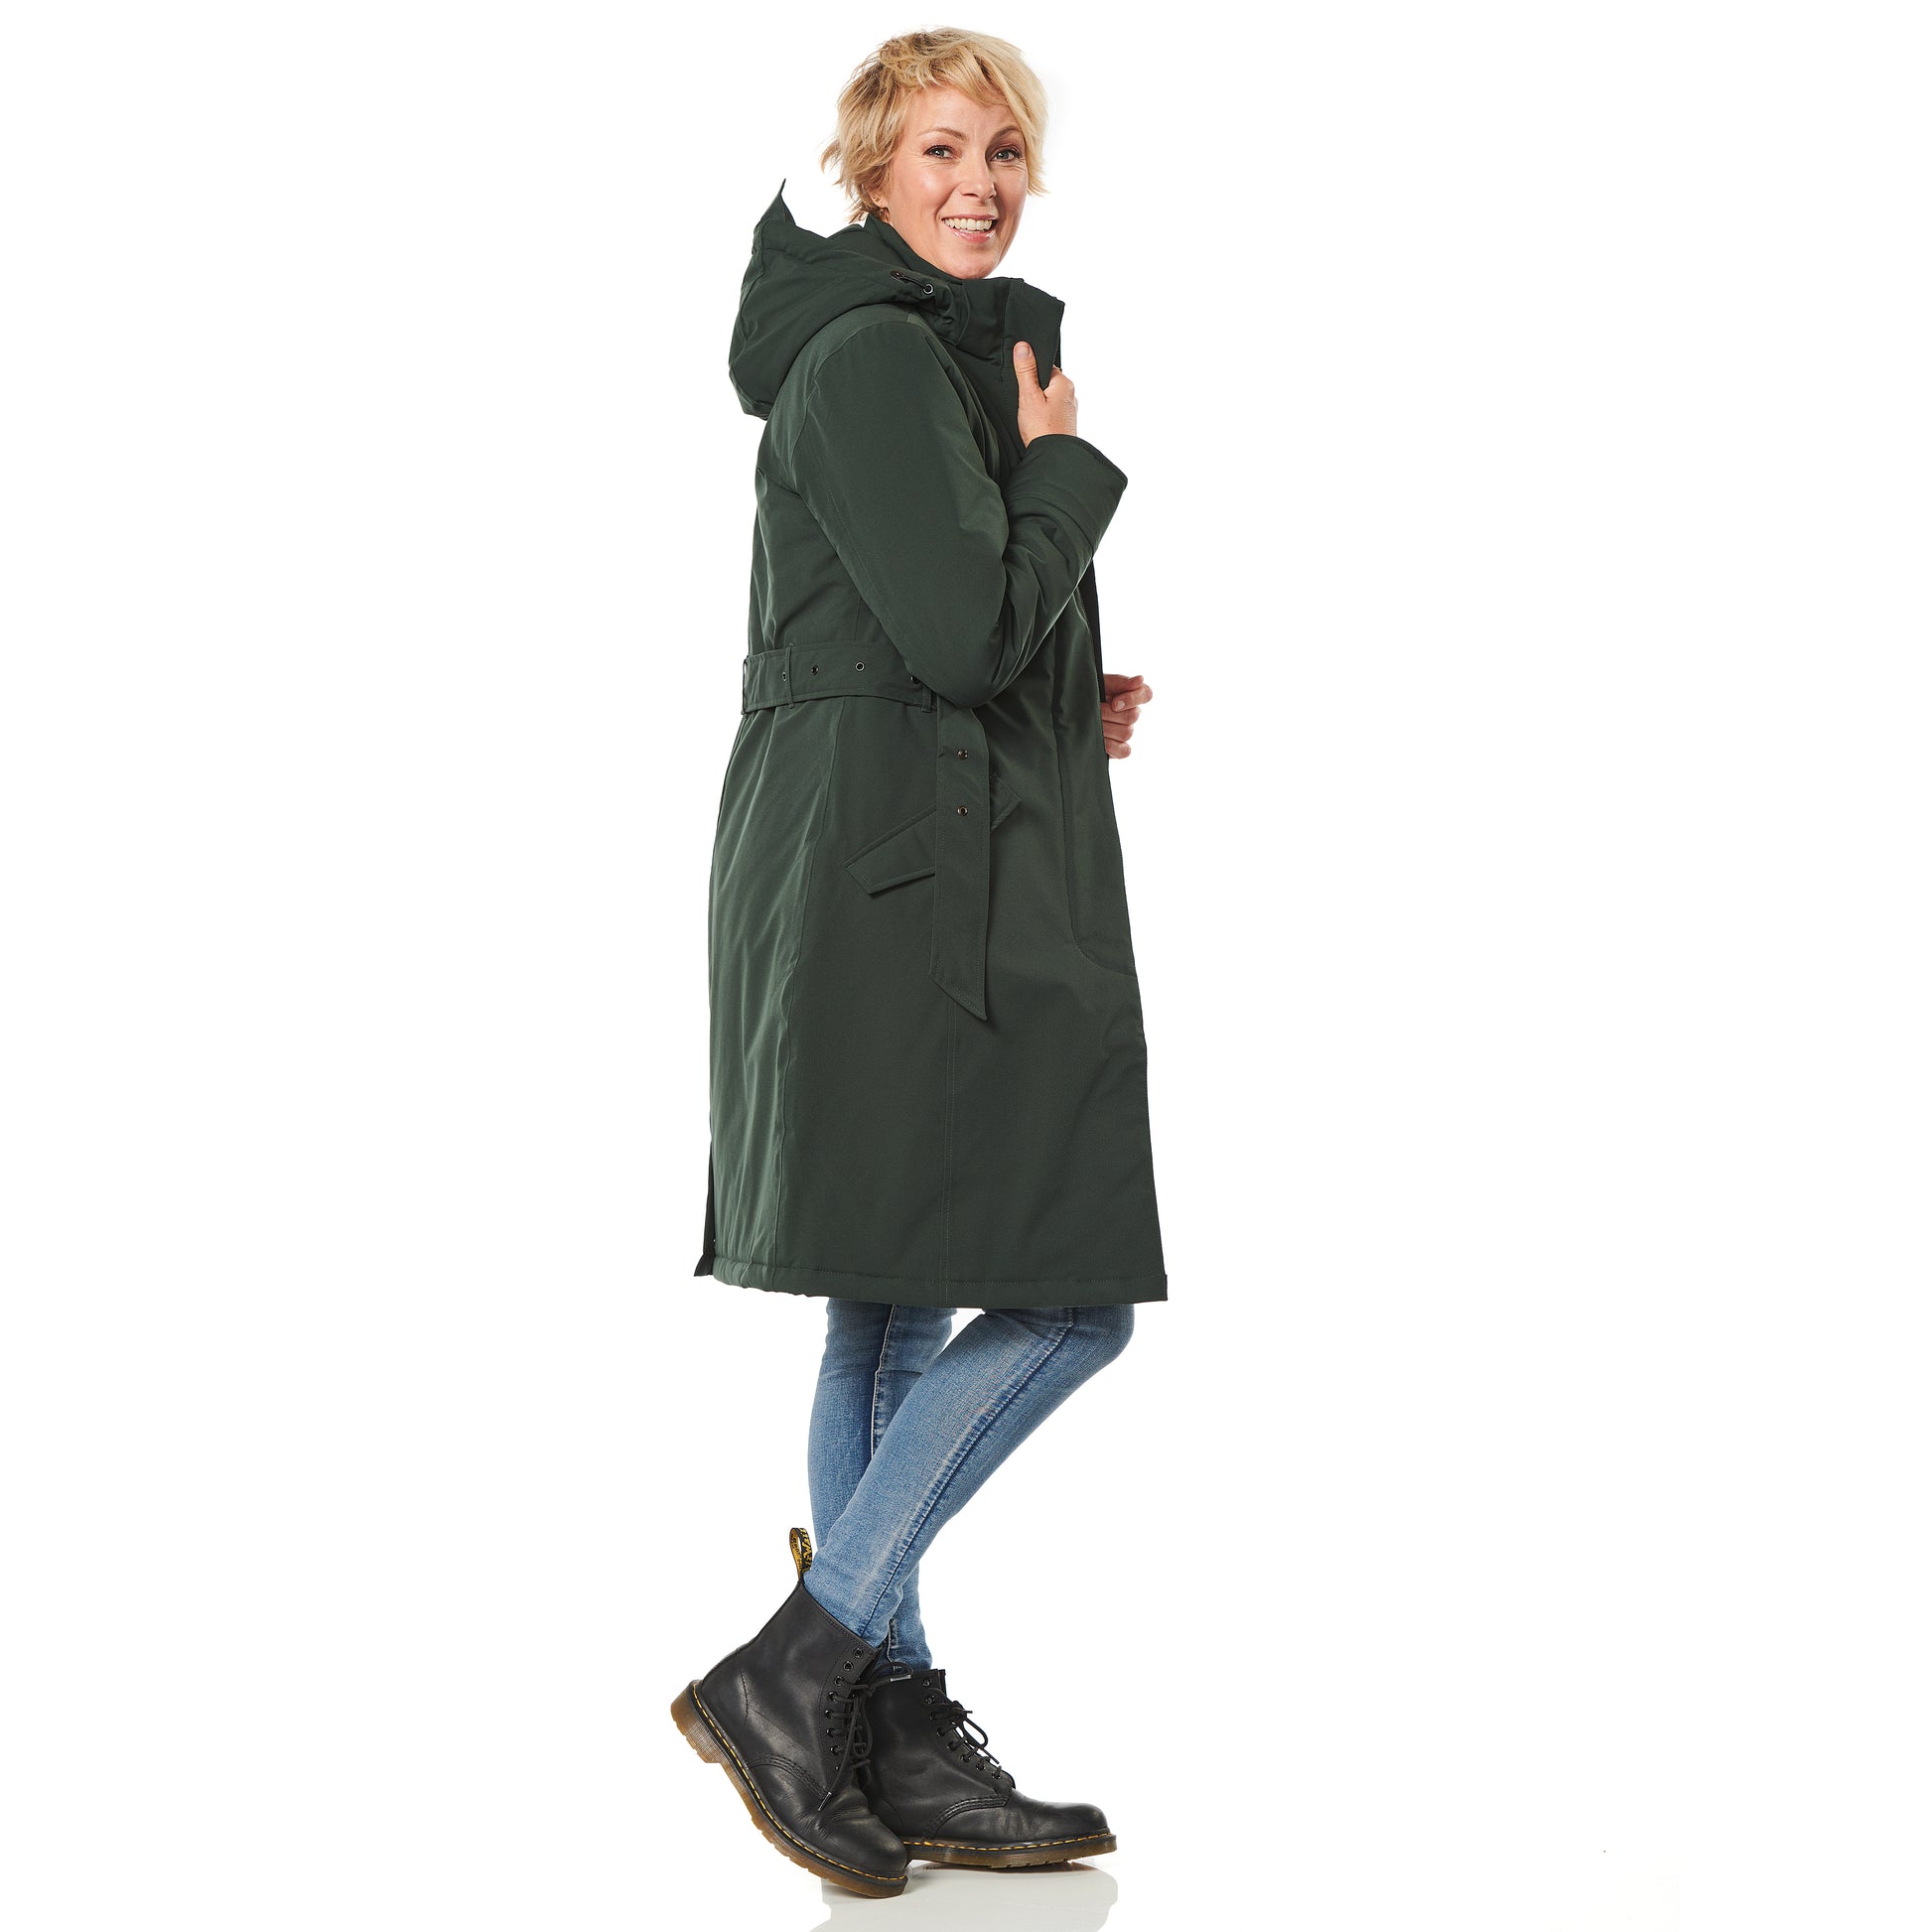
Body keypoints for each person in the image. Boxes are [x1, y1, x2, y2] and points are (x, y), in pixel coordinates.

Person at [673, 29, 1167, 1898]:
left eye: (1006, 153)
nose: (981, 185)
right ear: (870, 172)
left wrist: (1063, 692)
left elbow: (922, 635)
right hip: (893, 890)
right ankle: (801, 1664)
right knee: (1068, 1298)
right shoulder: (877, 354)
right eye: (943, 150)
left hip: (885, 854)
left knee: (884, 1304)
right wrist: (1064, 477)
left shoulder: (912, 351)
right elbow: (960, 627)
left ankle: (882, 1719)